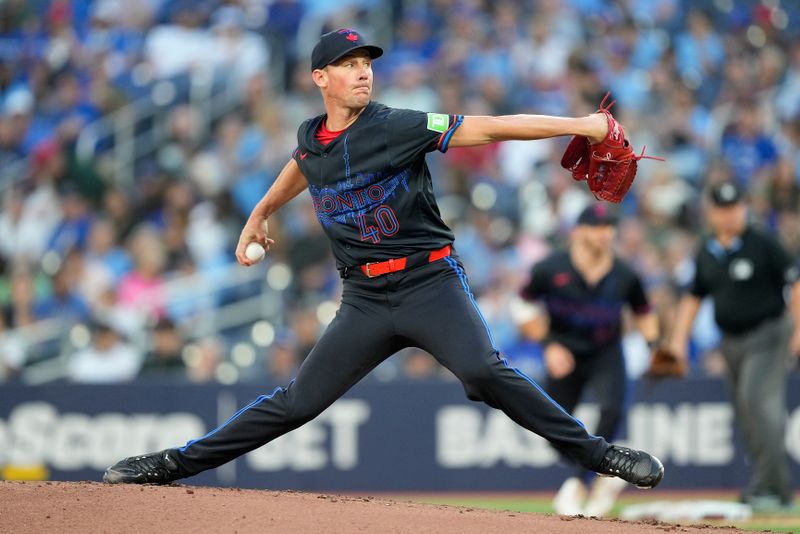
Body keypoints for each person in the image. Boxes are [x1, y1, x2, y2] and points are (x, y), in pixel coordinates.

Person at [102, 28, 664, 490]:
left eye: (366, 61)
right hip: (365, 300)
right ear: (320, 78)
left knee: (483, 372)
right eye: (348, 63)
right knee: (296, 402)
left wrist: (583, 125)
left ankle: (601, 456)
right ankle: (172, 464)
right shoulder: (311, 136)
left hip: (428, 283)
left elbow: (487, 127)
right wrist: (262, 211)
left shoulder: (397, 125)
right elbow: (304, 162)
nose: (363, 70)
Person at [515, 204, 661, 516]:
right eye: (597, 227)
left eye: (609, 227)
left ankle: (578, 483)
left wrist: (654, 347)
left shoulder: (624, 273)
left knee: (612, 409)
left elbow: (644, 312)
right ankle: (603, 474)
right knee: (550, 425)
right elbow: (522, 308)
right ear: (578, 231)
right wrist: (549, 344)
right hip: (563, 352)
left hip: (606, 350)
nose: (604, 234)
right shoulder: (550, 268)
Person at [669, 181, 800, 512]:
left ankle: (772, 487)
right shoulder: (708, 250)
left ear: (744, 208)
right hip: (731, 341)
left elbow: (796, 282)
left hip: (768, 333)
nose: (729, 215)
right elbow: (693, 297)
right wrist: (678, 342)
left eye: (734, 208)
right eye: (722, 209)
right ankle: (769, 484)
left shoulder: (762, 243)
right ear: (712, 212)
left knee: (756, 399)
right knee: (745, 410)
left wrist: (798, 329)